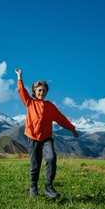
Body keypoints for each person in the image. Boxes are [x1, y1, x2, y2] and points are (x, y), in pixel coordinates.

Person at [15, 68, 79, 198]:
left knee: (51, 157)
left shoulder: (50, 106)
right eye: (39, 90)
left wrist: (72, 128)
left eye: (44, 91)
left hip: (46, 139)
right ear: (34, 92)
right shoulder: (30, 103)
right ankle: (33, 187)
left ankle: (49, 187)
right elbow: (22, 91)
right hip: (32, 138)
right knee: (35, 165)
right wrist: (19, 77)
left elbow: (61, 118)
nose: (41, 92)